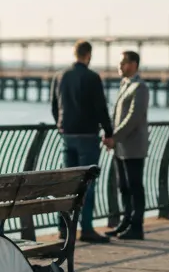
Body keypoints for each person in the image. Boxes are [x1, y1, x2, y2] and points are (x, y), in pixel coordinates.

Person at [51, 40, 115, 243]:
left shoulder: (60, 76)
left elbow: (55, 106)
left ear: (74, 53)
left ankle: (63, 228)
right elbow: (101, 108)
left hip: (67, 135)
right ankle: (86, 228)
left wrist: (61, 127)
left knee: (68, 183)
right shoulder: (93, 77)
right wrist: (109, 132)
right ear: (89, 55)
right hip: (88, 136)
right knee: (87, 184)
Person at [106, 51, 149, 240]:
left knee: (134, 186)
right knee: (123, 186)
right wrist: (109, 136)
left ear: (133, 64)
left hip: (133, 147)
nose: (120, 66)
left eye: (123, 62)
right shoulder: (125, 85)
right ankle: (125, 222)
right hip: (121, 147)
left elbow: (133, 118)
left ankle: (137, 226)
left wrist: (115, 137)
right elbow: (116, 115)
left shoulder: (140, 87)